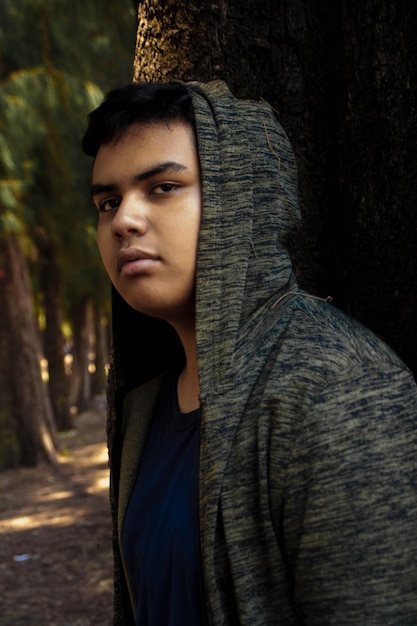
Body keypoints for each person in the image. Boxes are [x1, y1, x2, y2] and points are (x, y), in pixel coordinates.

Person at [81, 80, 417, 625]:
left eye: (163, 187)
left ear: (242, 197)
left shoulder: (340, 387)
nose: (124, 220)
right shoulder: (144, 408)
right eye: (108, 201)